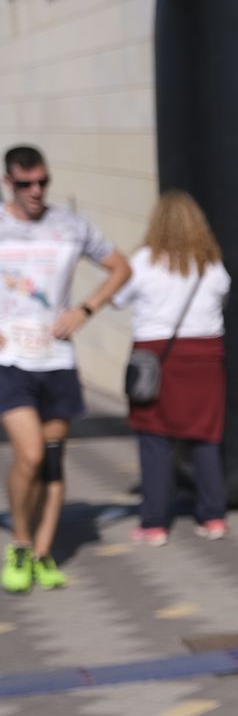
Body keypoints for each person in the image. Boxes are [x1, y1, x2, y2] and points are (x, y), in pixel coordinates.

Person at [0, 145, 131, 592]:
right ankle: (18, 543)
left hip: (56, 360)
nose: (36, 192)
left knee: (53, 464)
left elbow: (120, 267)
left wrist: (87, 309)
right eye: (26, 185)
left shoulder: (70, 227)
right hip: (11, 361)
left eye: (43, 182)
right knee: (30, 454)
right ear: (8, 184)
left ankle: (42, 553)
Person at [115, 191, 231, 545]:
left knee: (155, 438)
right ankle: (213, 518)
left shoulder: (144, 261)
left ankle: (154, 523)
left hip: (156, 358)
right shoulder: (212, 264)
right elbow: (224, 297)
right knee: (205, 437)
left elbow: (118, 300)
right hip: (206, 359)